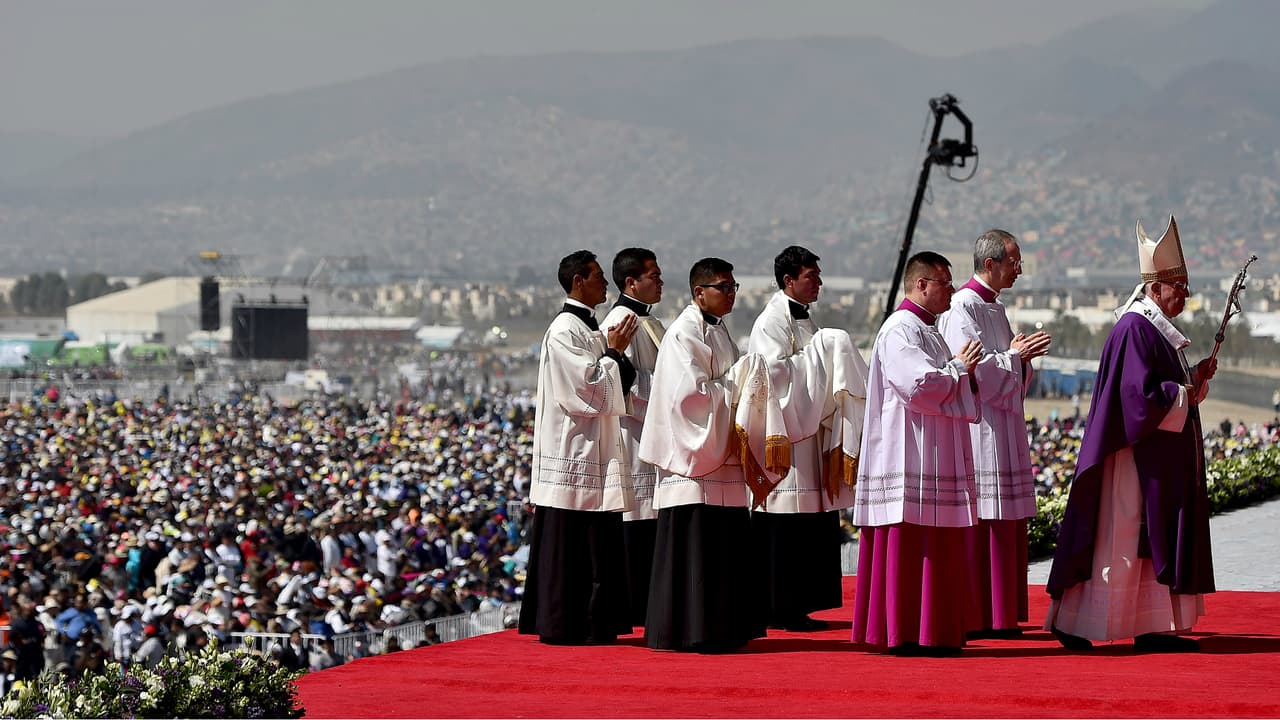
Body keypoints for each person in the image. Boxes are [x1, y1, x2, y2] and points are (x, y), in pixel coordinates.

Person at [1046, 216, 1217, 652]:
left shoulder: (1153, 328)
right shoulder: (1135, 328)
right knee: (1121, 541)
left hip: (1150, 454)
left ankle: (1154, 626)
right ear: (1156, 287)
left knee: (1143, 543)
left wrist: (1191, 379)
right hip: (1131, 457)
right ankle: (1080, 622)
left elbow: (1157, 387)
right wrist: (1183, 391)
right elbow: (1136, 397)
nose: (1185, 297)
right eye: (1179, 289)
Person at [851, 251, 983, 656]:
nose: (952, 290)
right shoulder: (900, 329)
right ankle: (906, 631)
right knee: (912, 541)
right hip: (907, 452)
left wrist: (965, 371)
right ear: (921, 284)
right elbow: (919, 387)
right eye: (944, 282)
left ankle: (937, 630)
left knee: (937, 540)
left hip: (932, 450)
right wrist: (959, 370)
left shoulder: (930, 330)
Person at [640, 257, 767, 653]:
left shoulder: (719, 330)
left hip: (720, 457)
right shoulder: (683, 334)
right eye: (723, 287)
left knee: (723, 546)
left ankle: (724, 627)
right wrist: (737, 380)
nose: (730, 294)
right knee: (695, 547)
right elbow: (689, 399)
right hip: (693, 464)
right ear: (699, 292)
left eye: (733, 287)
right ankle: (690, 629)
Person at [517, 250, 639, 646]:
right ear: (577, 282)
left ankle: (595, 622)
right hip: (574, 451)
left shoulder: (588, 329)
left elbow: (610, 381)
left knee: (595, 546)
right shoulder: (565, 330)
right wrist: (615, 353)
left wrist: (614, 353)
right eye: (599, 276)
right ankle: (565, 623)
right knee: (571, 547)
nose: (606, 284)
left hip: (594, 448)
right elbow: (583, 389)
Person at [938, 230, 1052, 638]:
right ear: (991, 264)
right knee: (983, 519)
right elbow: (975, 374)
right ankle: (979, 613)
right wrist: (1016, 357)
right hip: (980, 432)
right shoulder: (961, 309)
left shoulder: (994, 308)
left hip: (1003, 429)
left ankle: (1001, 613)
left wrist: (1022, 360)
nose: (1019, 269)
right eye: (1014, 261)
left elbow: (1003, 364)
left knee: (1004, 520)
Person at [747, 245, 845, 631]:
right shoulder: (771, 322)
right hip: (784, 439)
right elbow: (772, 377)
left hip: (808, 439)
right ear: (789, 280)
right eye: (811, 276)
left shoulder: (806, 321)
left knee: (806, 525)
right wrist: (820, 356)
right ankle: (780, 606)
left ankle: (801, 603)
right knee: (784, 527)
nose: (818, 283)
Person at [601, 247, 666, 627]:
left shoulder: (648, 320)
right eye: (653, 276)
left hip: (652, 435)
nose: (660, 281)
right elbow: (624, 386)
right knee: (637, 525)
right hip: (633, 435)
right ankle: (636, 607)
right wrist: (673, 388)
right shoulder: (620, 320)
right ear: (631, 281)